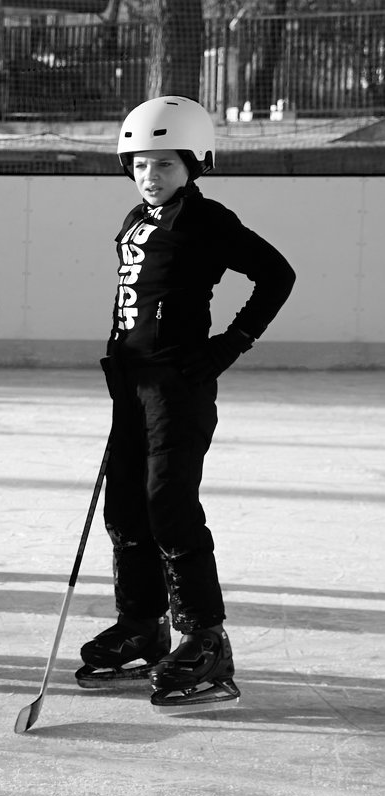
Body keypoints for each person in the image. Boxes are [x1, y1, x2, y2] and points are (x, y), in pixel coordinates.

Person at [78, 96, 296, 707]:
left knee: (168, 506)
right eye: (141, 164)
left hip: (178, 387)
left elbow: (277, 274)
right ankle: (143, 624)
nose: (151, 176)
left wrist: (233, 342)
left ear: (195, 163)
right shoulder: (136, 219)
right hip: (131, 386)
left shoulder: (206, 219)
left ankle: (205, 638)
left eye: (165, 165)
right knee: (124, 508)